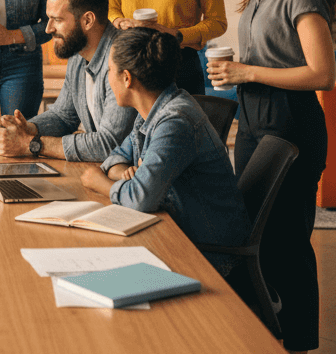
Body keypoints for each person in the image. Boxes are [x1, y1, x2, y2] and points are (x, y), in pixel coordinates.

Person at [205, 0, 334, 354]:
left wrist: (247, 70)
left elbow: (323, 73)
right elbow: (276, 53)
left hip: (291, 122)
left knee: (286, 242)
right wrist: (239, 70)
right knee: (254, 232)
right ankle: (263, 334)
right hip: (255, 116)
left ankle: (299, 343)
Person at [78, 27, 250, 275]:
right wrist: (122, 172)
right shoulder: (154, 107)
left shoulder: (175, 122)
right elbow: (117, 156)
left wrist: (99, 182)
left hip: (209, 254)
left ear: (127, 78)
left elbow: (140, 199)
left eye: (109, 72)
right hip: (177, 231)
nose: (108, 79)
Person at [0, 0, 135, 162]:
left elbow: (109, 144)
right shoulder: (79, 53)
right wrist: (27, 128)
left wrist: (30, 144)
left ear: (87, 20)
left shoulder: (124, 59)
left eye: (57, 20)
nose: (48, 29)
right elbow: (63, 116)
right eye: (48, 19)